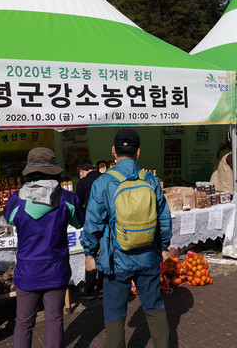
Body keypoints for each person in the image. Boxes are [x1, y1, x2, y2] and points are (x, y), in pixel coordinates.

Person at [81, 129, 172, 348]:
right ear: (138, 152)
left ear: (113, 151)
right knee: (154, 305)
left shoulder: (103, 183)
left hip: (116, 258)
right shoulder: (150, 180)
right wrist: (164, 245)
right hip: (148, 254)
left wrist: (89, 253)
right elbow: (163, 217)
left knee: (114, 310)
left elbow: (92, 222)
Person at [5, 147, 85, 348]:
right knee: (54, 319)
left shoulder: (16, 200)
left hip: (27, 270)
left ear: (29, 171)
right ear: (54, 170)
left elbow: (10, 219)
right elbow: (78, 222)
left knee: (23, 322)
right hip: (56, 269)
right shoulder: (68, 199)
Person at [75, 158, 103, 300]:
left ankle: (89, 290)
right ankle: (102, 287)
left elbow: (77, 204)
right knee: (104, 253)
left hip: (91, 222)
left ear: (81, 171)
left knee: (90, 253)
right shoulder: (104, 177)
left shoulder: (83, 182)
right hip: (107, 222)